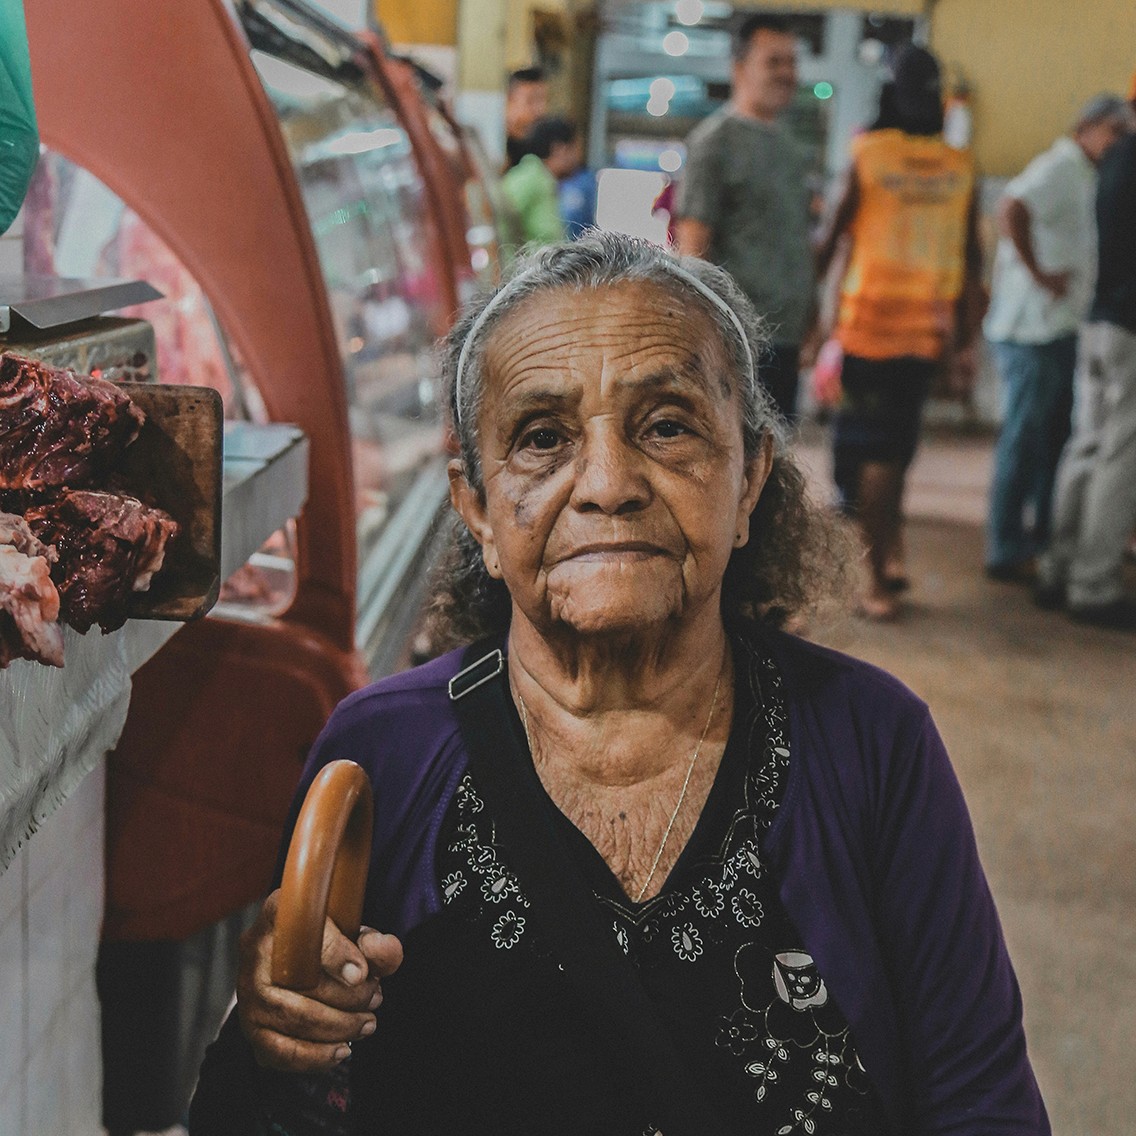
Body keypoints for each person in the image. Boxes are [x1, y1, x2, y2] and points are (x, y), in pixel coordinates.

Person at [188, 231, 1048, 1135]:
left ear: (750, 477)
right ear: (476, 510)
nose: (607, 484)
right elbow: (264, 1110)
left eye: (668, 426)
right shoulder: (383, 755)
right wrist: (278, 1026)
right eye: (542, 437)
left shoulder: (872, 742)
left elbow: (981, 1103)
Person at [814, 46, 983, 620]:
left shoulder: (869, 154)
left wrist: (814, 317)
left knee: (868, 453)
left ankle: (872, 576)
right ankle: (885, 559)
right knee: (896, 449)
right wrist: (965, 342)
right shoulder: (961, 166)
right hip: (926, 333)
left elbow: (834, 237)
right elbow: (972, 261)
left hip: (869, 328)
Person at [983, 94, 1131, 583]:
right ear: (1087, 127)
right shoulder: (1060, 167)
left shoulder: (1088, 174)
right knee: (1024, 440)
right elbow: (1011, 208)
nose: (1117, 142)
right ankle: (1005, 548)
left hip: (1062, 326)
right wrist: (1040, 274)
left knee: (1057, 440)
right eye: (1113, 131)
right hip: (1032, 329)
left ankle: (1048, 543)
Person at [675, 14, 814, 422]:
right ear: (739, 69)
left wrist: (812, 315)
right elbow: (692, 248)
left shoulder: (790, 148)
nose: (787, 73)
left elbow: (797, 238)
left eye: (792, 62)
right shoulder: (714, 142)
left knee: (776, 462)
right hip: (737, 337)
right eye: (774, 62)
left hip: (784, 338)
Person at [1035, 77, 1136, 629]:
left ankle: (1059, 566)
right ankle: (1093, 583)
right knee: (1120, 456)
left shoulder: (1114, 159)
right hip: (1130, 328)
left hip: (1099, 319)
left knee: (1088, 445)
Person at [499, 115, 578, 252]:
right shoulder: (529, 177)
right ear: (560, 149)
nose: (578, 156)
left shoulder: (547, 181)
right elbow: (498, 220)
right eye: (575, 148)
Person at [503, 65, 549, 171]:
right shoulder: (495, 147)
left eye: (544, 100)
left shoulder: (544, 147)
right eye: (531, 100)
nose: (540, 109)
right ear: (509, 101)